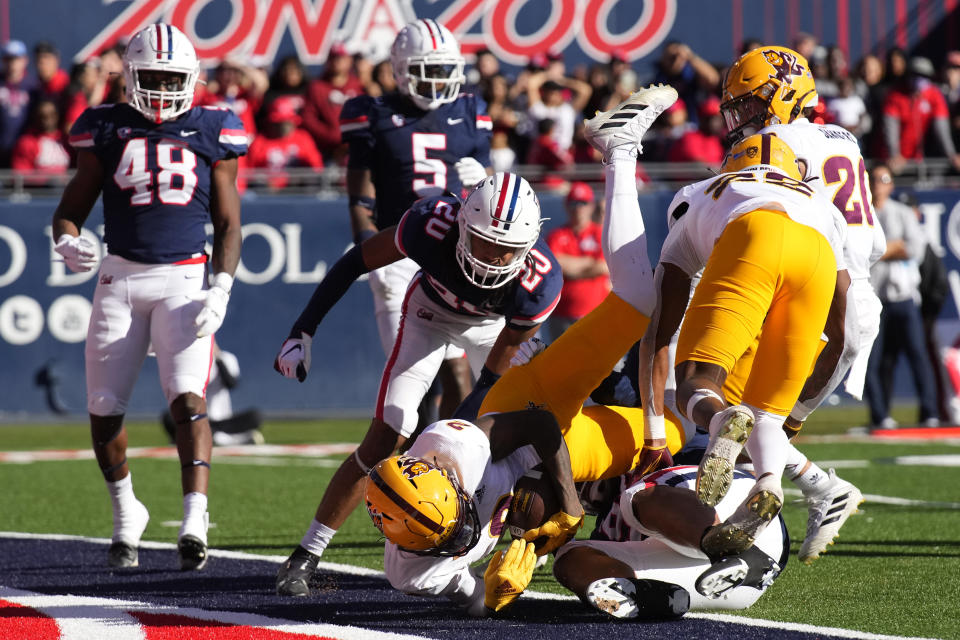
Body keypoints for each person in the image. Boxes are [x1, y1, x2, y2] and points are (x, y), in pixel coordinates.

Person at [272, 172, 562, 596]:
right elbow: (357, 260)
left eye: (506, 250)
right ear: (462, 224)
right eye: (484, 243)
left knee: (519, 429)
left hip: (492, 331)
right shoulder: (430, 224)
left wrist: (444, 441)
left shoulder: (540, 283)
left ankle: (512, 545)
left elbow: (490, 379)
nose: (493, 259)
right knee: (388, 430)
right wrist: (303, 330)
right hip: (431, 313)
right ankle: (306, 553)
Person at [50, 23, 246, 571]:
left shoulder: (214, 129)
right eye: (151, 77)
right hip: (120, 277)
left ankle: (194, 515)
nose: (160, 88)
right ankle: (125, 512)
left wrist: (222, 288)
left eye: (170, 78)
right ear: (130, 77)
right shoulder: (105, 129)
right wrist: (67, 241)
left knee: (189, 396)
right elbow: (69, 211)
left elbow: (229, 224)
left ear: (192, 79)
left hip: (185, 278)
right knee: (103, 407)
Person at [638, 133, 845, 558]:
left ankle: (719, 423)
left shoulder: (701, 192)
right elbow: (842, 331)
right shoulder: (821, 203)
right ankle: (770, 483)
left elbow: (660, 329)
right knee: (767, 415)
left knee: (697, 379)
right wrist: (799, 410)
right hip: (818, 257)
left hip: (755, 232)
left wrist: (654, 433)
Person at [479, 85, 689, 485]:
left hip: (542, 421)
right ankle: (621, 152)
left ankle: (621, 153)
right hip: (581, 341)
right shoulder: (555, 248)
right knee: (683, 413)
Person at [720, 45, 876, 563]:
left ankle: (784, 504)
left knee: (730, 418)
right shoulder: (844, 138)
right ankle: (819, 488)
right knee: (746, 421)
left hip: (816, 291)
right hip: (850, 288)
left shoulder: (773, 143)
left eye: (748, 105)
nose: (741, 118)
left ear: (781, 94)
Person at [338, 20, 492, 438]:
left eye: (445, 70)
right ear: (402, 69)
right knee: (412, 376)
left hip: (455, 252)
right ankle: (417, 466)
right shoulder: (372, 113)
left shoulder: (471, 111)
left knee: (460, 371)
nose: (439, 80)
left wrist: (484, 178)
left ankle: (463, 460)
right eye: (430, 70)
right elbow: (359, 197)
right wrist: (370, 254)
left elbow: (490, 192)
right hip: (398, 249)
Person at [364, 409, 583, 616]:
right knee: (568, 562)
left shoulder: (458, 449)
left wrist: (570, 501)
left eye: (461, 518)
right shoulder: (410, 573)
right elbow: (476, 600)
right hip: (508, 493)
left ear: (446, 477)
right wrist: (496, 599)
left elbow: (540, 423)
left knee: (588, 471)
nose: (465, 534)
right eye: (449, 541)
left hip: (522, 451)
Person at [553, 465, 787, 618]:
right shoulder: (605, 529)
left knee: (633, 498)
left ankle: (731, 550)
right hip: (724, 584)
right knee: (569, 557)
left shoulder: (649, 457)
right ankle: (650, 601)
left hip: (743, 516)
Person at [864, 165, 939, 429]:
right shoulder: (862, 213)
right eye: (874, 179)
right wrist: (892, 246)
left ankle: (930, 412)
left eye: (883, 179)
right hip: (873, 296)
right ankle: (879, 415)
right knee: (875, 360)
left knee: (918, 354)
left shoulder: (903, 212)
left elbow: (915, 249)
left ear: (891, 185)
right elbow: (858, 253)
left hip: (903, 295)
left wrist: (879, 251)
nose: (878, 184)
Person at [545, 181, 609, 340]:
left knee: (597, 363)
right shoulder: (556, 235)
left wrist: (570, 265)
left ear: (591, 206)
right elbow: (555, 266)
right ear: (566, 206)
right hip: (561, 314)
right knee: (562, 363)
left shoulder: (601, 233)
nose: (578, 208)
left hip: (596, 314)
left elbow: (603, 266)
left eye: (583, 203)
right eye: (574, 203)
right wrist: (589, 263)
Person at [301, 43, 363, 163]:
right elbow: (308, 118)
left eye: (340, 58)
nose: (337, 62)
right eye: (333, 58)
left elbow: (367, 115)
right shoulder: (316, 87)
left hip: (356, 148)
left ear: (349, 61)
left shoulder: (357, 85)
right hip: (327, 152)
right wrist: (332, 136)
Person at [0, 40, 33, 167]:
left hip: (23, 153)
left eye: (16, 58)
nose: (12, 63)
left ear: (25, 60)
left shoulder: (32, 86)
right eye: (8, 59)